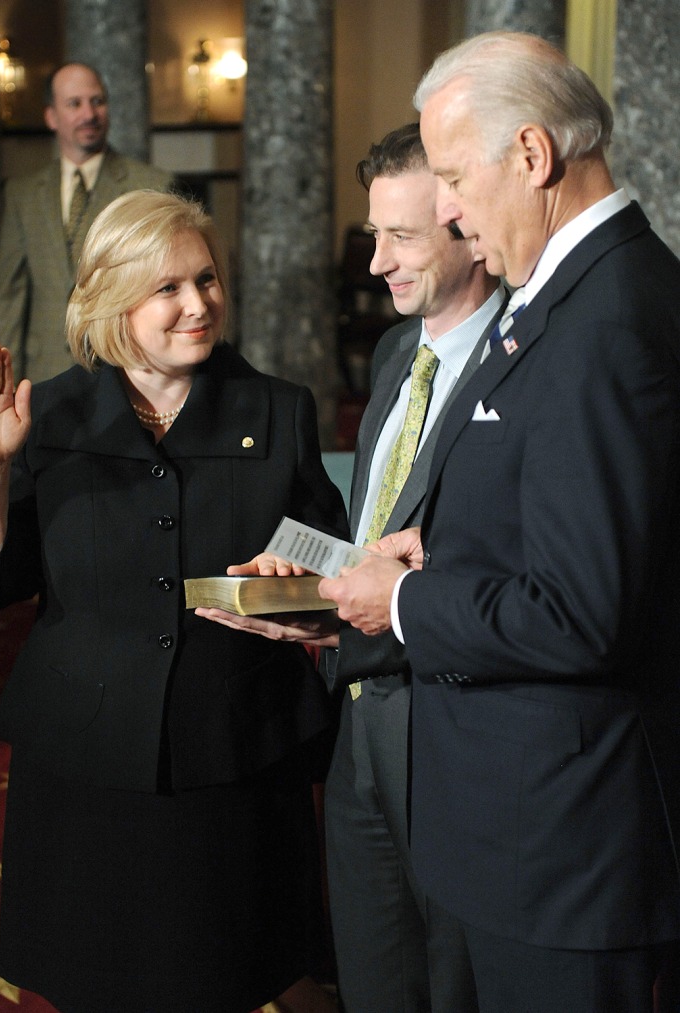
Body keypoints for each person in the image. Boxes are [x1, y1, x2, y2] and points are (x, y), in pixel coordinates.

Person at [316, 31, 680, 1013]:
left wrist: (406, 597)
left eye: (449, 177)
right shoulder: (571, 296)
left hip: (564, 845)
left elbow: (581, 613)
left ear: (530, 156)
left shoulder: (601, 319)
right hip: (524, 828)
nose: (441, 208)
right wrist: (443, 548)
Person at [0, 189, 348, 1013]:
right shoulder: (48, 412)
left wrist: (293, 586)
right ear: (109, 297)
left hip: (234, 757)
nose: (196, 304)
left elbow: (334, 575)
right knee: (98, 981)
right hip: (87, 764)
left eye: (206, 279)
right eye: (167, 287)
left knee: (234, 973)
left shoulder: (278, 409)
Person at [197, 123, 504, 1012]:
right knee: (374, 982)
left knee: (457, 987)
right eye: (375, 234)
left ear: (466, 227)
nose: (376, 263)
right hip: (357, 721)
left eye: (401, 237)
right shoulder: (396, 354)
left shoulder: (525, 365)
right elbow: (375, 539)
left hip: (454, 734)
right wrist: (299, 574)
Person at [0, 62, 174, 385]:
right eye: (74, 104)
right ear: (51, 117)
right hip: (44, 373)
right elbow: (10, 297)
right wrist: (5, 383)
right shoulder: (22, 194)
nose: (89, 114)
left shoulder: (151, 185)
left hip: (125, 371)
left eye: (97, 101)